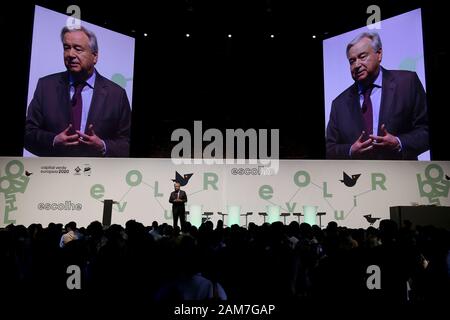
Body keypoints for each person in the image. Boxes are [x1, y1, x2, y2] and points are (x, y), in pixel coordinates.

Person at [25, 26, 131, 157]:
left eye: (78, 49)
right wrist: (53, 140)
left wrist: (103, 146)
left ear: (95, 56)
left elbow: (127, 142)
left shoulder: (117, 94)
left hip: (98, 174)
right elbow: (28, 133)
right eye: (66, 48)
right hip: (55, 172)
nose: (70, 54)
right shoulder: (46, 86)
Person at [326, 31, 429, 160]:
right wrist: (351, 150)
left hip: (402, 175)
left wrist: (399, 143)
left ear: (379, 54)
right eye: (352, 61)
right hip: (359, 176)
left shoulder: (407, 83)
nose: (356, 65)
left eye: (362, 56)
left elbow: (426, 130)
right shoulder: (339, 104)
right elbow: (329, 149)